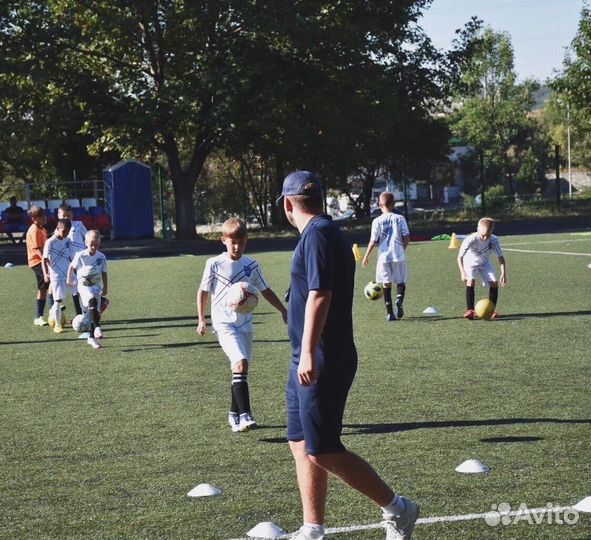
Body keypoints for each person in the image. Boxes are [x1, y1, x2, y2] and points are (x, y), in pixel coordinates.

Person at [279, 171, 419, 540]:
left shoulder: (319, 234)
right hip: (305, 356)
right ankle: (313, 528)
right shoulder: (317, 233)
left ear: (287, 205)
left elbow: (320, 294)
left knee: (322, 450)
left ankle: (399, 509)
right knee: (300, 443)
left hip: (322, 356)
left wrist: (309, 351)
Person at [197, 217, 287, 433]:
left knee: (240, 370)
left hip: (245, 324)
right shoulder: (214, 264)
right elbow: (202, 292)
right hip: (224, 324)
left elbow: (265, 290)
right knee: (240, 363)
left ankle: (233, 414)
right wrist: (201, 319)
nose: (237, 247)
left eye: (241, 242)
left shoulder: (251, 265)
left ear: (247, 240)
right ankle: (246, 415)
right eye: (232, 242)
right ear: (223, 240)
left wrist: (283, 310)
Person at [362, 192, 410, 321]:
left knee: (386, 284)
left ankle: (390, 314)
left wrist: (366, 256)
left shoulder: (376, 221)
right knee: (401, 281)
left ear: (379, 205)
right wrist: (402, 249)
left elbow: (373, 241)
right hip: (398, 255)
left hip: (383, 258)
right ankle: (399, 299)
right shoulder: (400, 218)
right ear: (393, 204)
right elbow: (406, 237)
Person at [457, 217, 506, 319]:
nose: (485, 238)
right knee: (471, 281)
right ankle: (470, 310)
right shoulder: (470, 239)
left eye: (487, 236)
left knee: (494, 282)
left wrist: (503, 273)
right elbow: (460, 257)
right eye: (483, 235)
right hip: (469, 262)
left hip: (484, 262)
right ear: (478, 229)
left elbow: (500, 257)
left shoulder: (494, 240)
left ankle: (492, 310)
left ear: (492, 232)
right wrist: (462, 272)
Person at [67, 230, 108, 349]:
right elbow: (71, 266)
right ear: (85, 242)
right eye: (91, 244)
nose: (94, 246)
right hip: (83, 286)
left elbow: (104, 272)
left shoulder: (101, 257)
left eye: (96, 244)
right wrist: (69, 279)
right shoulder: (80, 255)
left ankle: (91, 338)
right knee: (92, 301)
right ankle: (97, 327)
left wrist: (105, 287)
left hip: (96, 286)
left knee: (95, 313)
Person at [57, 203, 91, 317]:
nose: (65, 218)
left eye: (68, 215)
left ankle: (98, 304)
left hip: (82, 261)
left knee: (86, 285)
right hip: (70, 263)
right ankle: (79, 315)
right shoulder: (58, 230)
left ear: (72, 215)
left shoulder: (78, 225)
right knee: (74, 288)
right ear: (58, 216)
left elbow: (88, 238)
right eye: (63, 216)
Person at [42, 218, 72, 333]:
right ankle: (58, 325)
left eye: (68, 232)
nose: (66, 234)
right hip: (56, 275)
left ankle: (84, 317)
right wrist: (46, 274)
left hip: (68, 272)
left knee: (79, 292)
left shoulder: (67, 240)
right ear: (58, 229)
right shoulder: (50, 242)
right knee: (58, 300)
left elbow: (70, 256)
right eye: (64, 231)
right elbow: (44, 259)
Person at [25, 205, 50, 326]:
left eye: (44, 215)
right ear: (34, 219)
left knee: (45, 288)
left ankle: (47, 314)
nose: (44, 218)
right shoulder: (34, 230)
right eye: (41, 216)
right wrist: (45, 261)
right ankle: (40, 316)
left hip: (42, 261)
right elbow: (38, 250)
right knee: (46, 285)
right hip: (37, 262)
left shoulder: (42, 229)